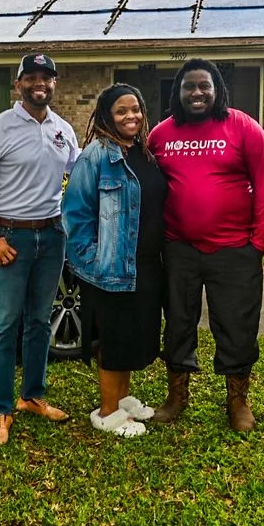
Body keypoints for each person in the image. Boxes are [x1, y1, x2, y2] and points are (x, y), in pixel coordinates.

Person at [147, 58, 264, 432]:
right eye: (189, 86)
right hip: (178, 248)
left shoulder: (243, 127)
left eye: (205, 85)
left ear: (217, 89)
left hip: (235, 249)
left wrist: (258, 244)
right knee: (177, 322)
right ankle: (176, 396)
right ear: (178, 92)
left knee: (236, 326)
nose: (197, 93)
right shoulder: (161, 134)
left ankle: (237, 401)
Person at [0, 53, 79, 447]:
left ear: (54, 84)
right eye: (30, 77)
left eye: (45, 77)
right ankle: (0, 410)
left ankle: (32, 396)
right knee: (4, 324)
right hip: (9, 238)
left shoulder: (64, 130)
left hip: (52, 236)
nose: (38, 83)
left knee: (39, 322)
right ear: (18, 85)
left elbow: (77, 181)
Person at [62, 84, 167, 438]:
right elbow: (75, 216)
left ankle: (121, 399)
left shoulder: (143, 152)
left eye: (135, 109)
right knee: (116, 337)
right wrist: (94, 264)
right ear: (107, 116)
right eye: (121, 111)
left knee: (134, 335)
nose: (131, 117)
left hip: (146, 264)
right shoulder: (95, 156)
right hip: (111, 269)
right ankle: (107, 412)